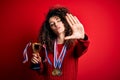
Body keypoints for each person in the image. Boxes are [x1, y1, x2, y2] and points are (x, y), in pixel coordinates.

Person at [31, 6, 90, 80]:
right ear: (50, 29)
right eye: (52, 24)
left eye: (58, 20)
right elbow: (41, 72)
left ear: (64, 22)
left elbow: (84, 47)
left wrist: (83, 37)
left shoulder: (74, 44)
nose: (56, 24)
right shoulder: (45, 46)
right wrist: (37, 63)